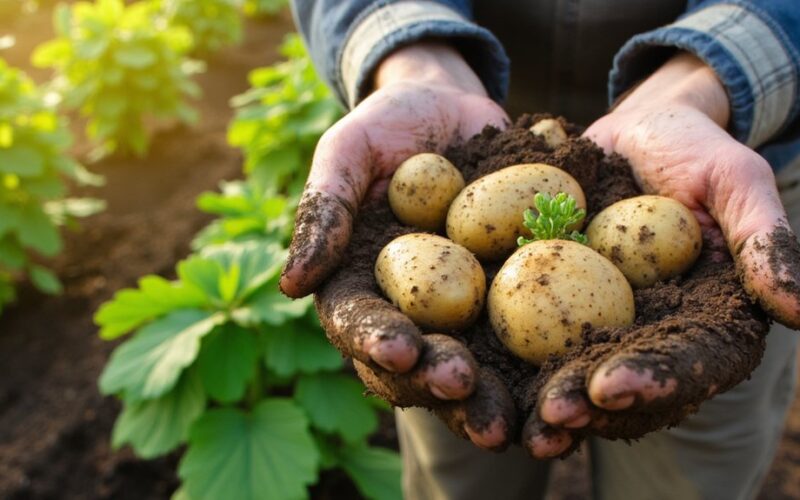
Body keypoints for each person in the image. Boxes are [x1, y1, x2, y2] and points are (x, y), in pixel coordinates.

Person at [282, 1, 800, 498]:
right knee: (456, 435)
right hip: (472, 108)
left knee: (692, 455)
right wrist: (415, 59)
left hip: (717, 139)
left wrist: (703, 81)